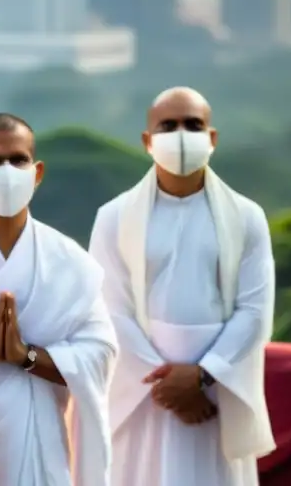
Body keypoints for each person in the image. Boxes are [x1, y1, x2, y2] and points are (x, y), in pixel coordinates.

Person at [88, 86, 276, 486]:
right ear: (147, 140)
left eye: (193, 125)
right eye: (167, 125)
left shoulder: (247, 216)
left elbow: (256, 313)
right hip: (143, 398)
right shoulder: (113, 217)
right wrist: (167, 385)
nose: (180, 135)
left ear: (212, 139)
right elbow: (109, 311)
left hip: (214, 397)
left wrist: (202, 377)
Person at [0, 113, 117, 486]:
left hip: (43, 448)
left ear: (37, 172)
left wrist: (26, 357)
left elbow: (101, 354)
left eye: (18, 160)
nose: (7, 171)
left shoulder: (71, 262)